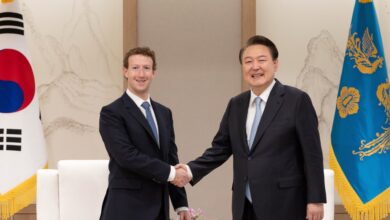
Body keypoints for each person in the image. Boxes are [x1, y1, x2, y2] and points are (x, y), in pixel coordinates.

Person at [175, 35, 326, 220]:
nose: (255, 67)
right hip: (244, 204)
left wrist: (316, 200)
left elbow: (312, 154)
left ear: (275, 64)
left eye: (262, 60)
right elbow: (220, 149)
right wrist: (189, 171)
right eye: (248, 61)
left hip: (285, 202)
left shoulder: (296, 100)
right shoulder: (236, 104)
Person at [99, 47, 191, 220]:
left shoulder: (165, 113)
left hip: (159, 210)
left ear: (154, 73)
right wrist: (172, 173)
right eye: (135, 68)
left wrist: (181, 204)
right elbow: (126, 156)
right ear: (125, 72)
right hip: (125, 209)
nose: (141, 74)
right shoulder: (111, 113)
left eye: (146, 68)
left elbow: (171, 158)